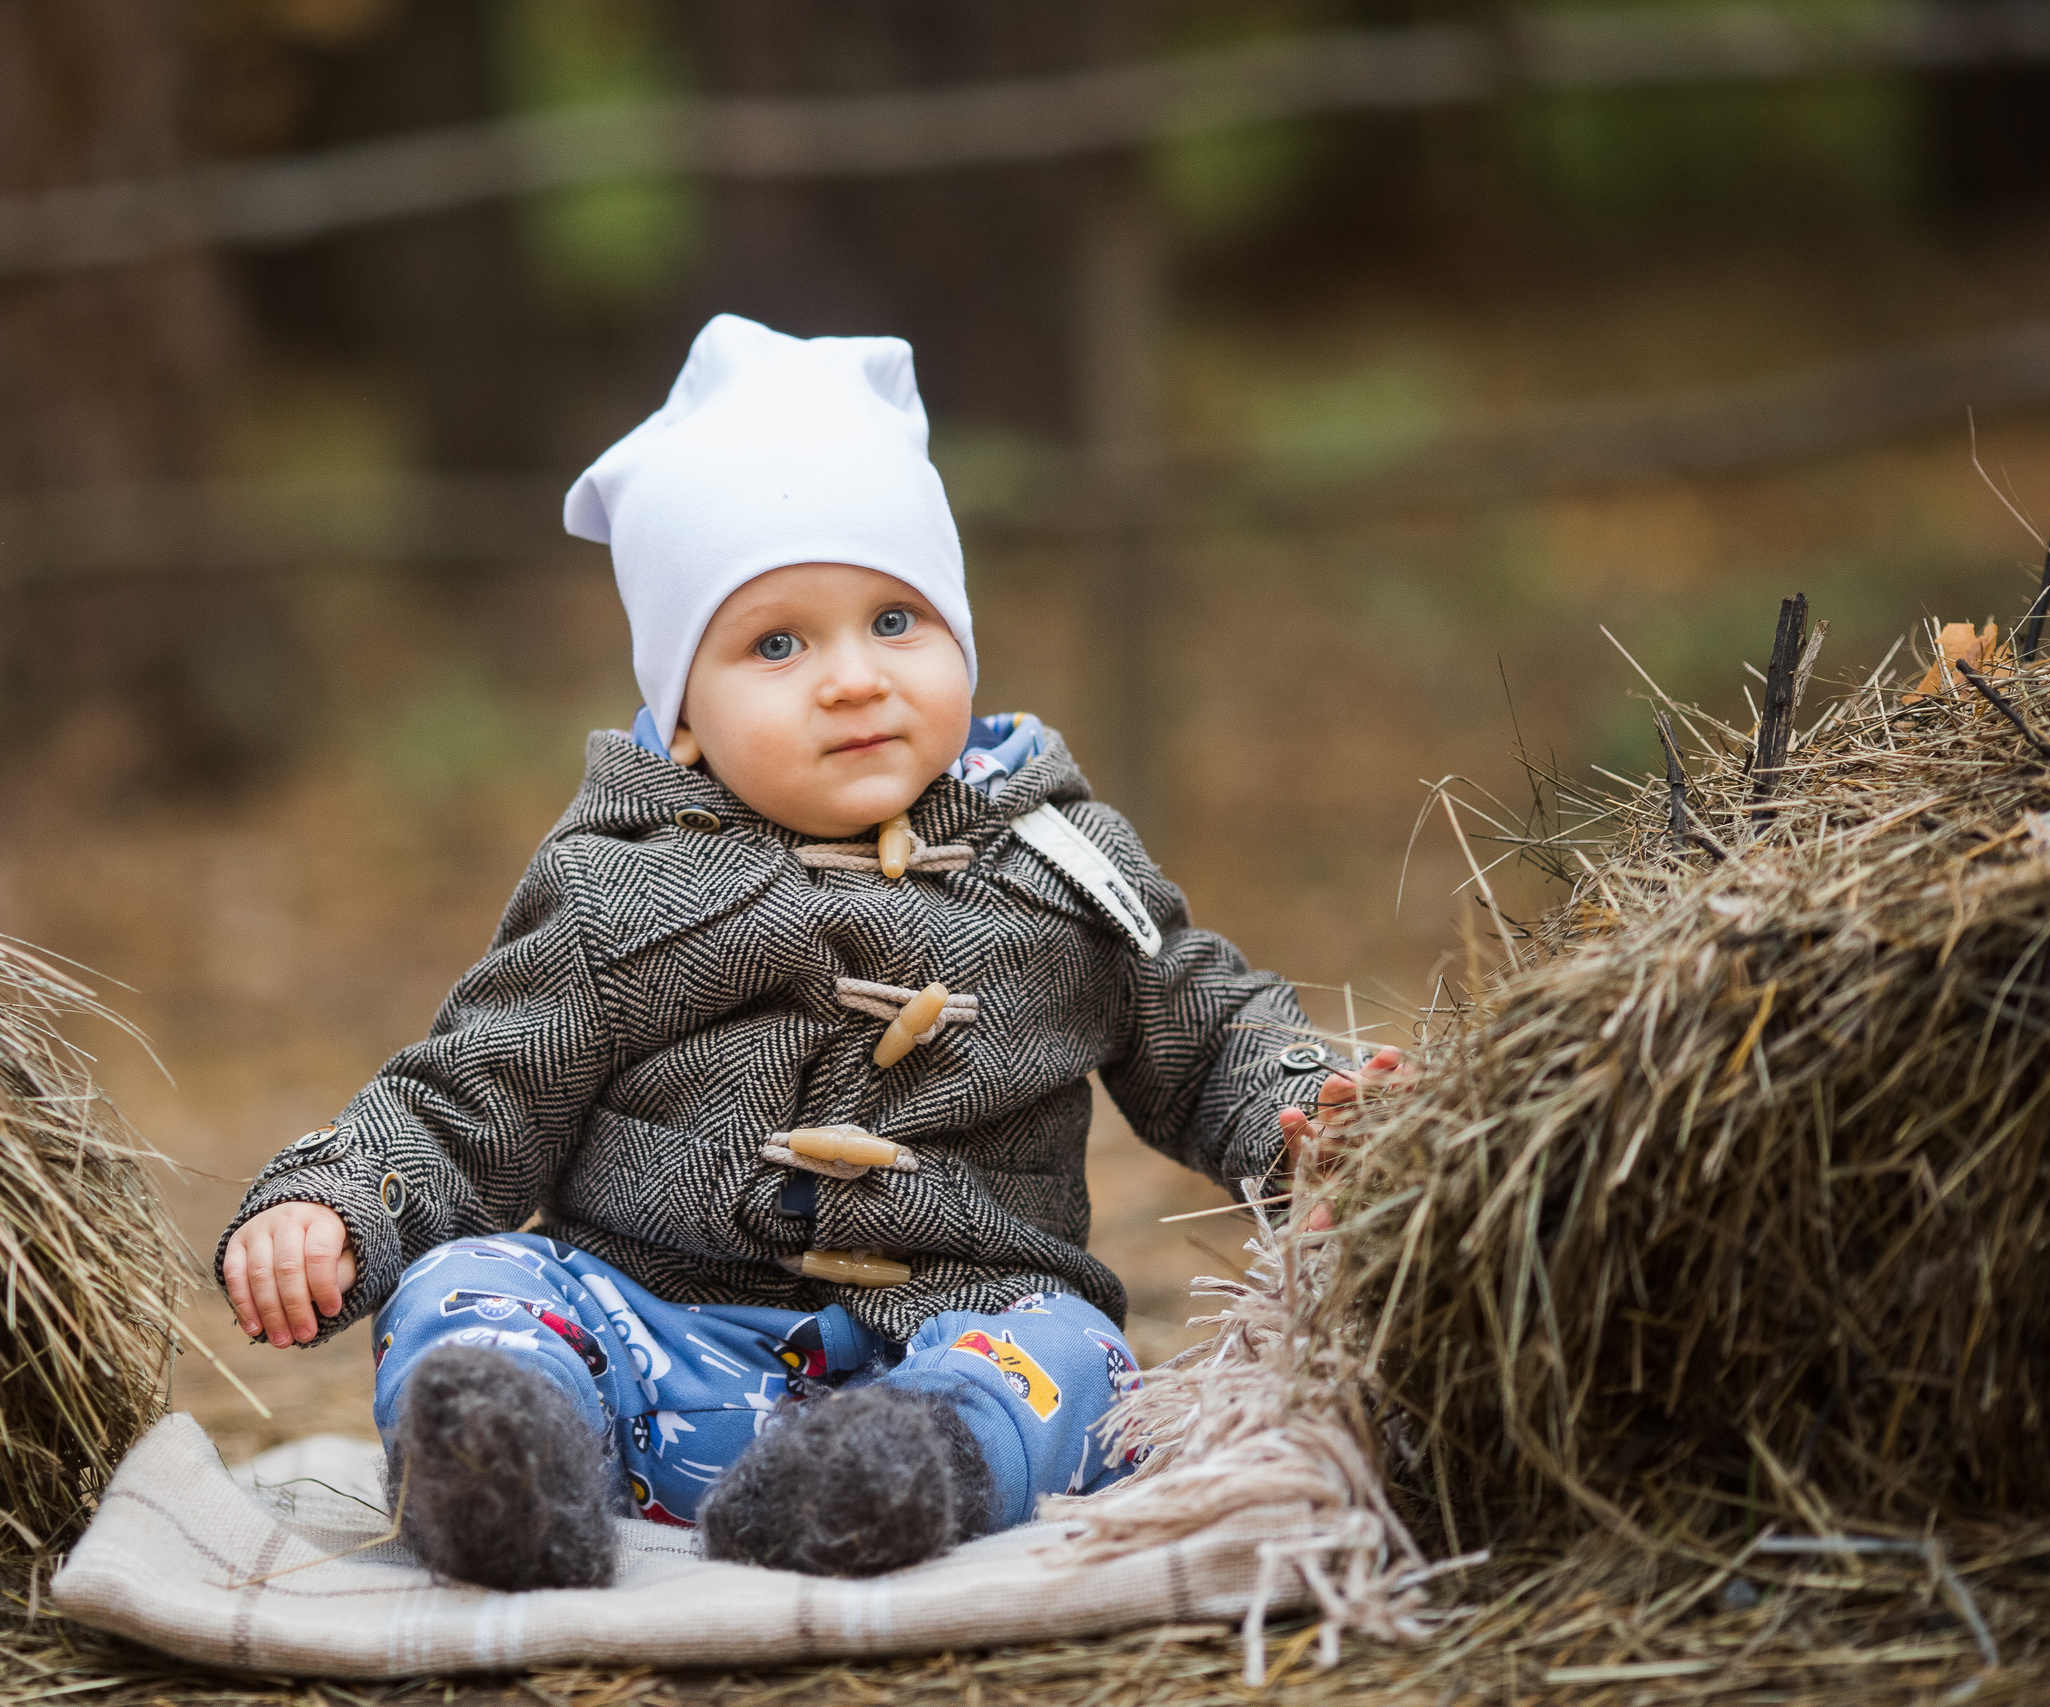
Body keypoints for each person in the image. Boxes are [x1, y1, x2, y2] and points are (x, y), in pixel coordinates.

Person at [216, 314, 1401, 1592]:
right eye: (776, 644)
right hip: (649, 1332)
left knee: (1077, 1359)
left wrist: (1307, 1112)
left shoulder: (1060, 859)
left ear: (959, 636)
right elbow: (472, 1096)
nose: (851, 679)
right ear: (681, 719)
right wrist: (337, 1198)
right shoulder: (624, 884)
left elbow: (1205, 1025)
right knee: (470, 1287)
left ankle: (897, 1474)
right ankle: (510, 1463)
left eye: (896, 620)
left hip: (958, 1334)